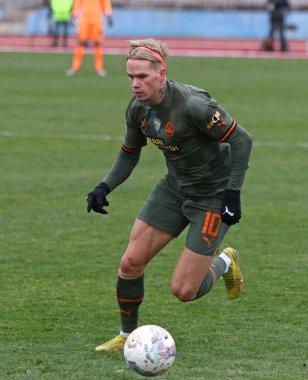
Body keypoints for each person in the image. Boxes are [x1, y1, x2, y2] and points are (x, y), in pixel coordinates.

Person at [87, 38, 253, 352]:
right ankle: (127, 336)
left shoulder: (195, 105)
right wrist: (103, 187)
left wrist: (232, 195)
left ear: (161, 73)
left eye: (142, 77)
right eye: (130, 78)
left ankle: (224, 261)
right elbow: (128, 154)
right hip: (173, 190)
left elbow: (242, 140)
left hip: (212, 198)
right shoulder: (137, 109)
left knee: (184, 290)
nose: (135, 84)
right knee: (130, 263)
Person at [66, 0, 113, 77]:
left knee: (97, 44)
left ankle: (99, 69)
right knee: (80, 43)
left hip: (97, 19)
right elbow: (78, 2)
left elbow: (105, 2)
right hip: (84, 19)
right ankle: (75, 68)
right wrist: (74, 14)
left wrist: (108, 14)